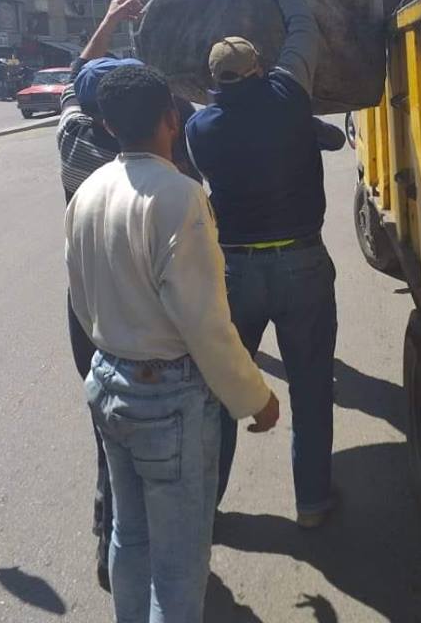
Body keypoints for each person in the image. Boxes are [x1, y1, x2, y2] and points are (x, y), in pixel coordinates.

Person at [66, 64, 279, 622]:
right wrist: (255, 397)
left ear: (109, 126)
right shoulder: (180, 196)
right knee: (180, 564)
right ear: (171, 117)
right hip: (167, 401)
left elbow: (81, 300)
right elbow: (204, 322)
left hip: (108, 381)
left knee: (129, 538)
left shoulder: (87, 191)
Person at [185, 0, 338, 529]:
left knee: (227, 386)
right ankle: (313, 504)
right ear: (257, 69)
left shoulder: (201, 130)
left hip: (238, 273)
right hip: (302, 262)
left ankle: (210, 502)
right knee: (311, 385)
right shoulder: (288, 95)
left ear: (214, 81)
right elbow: (305, 30)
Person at [57, 0, 200, 591]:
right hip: (152, 307)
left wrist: (109, 23)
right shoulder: (167, 166)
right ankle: (165, 557)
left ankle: (110, 544)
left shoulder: (70, 142)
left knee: (108, 425)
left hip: (88, 304)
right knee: (164, 432)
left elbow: (72, 83)